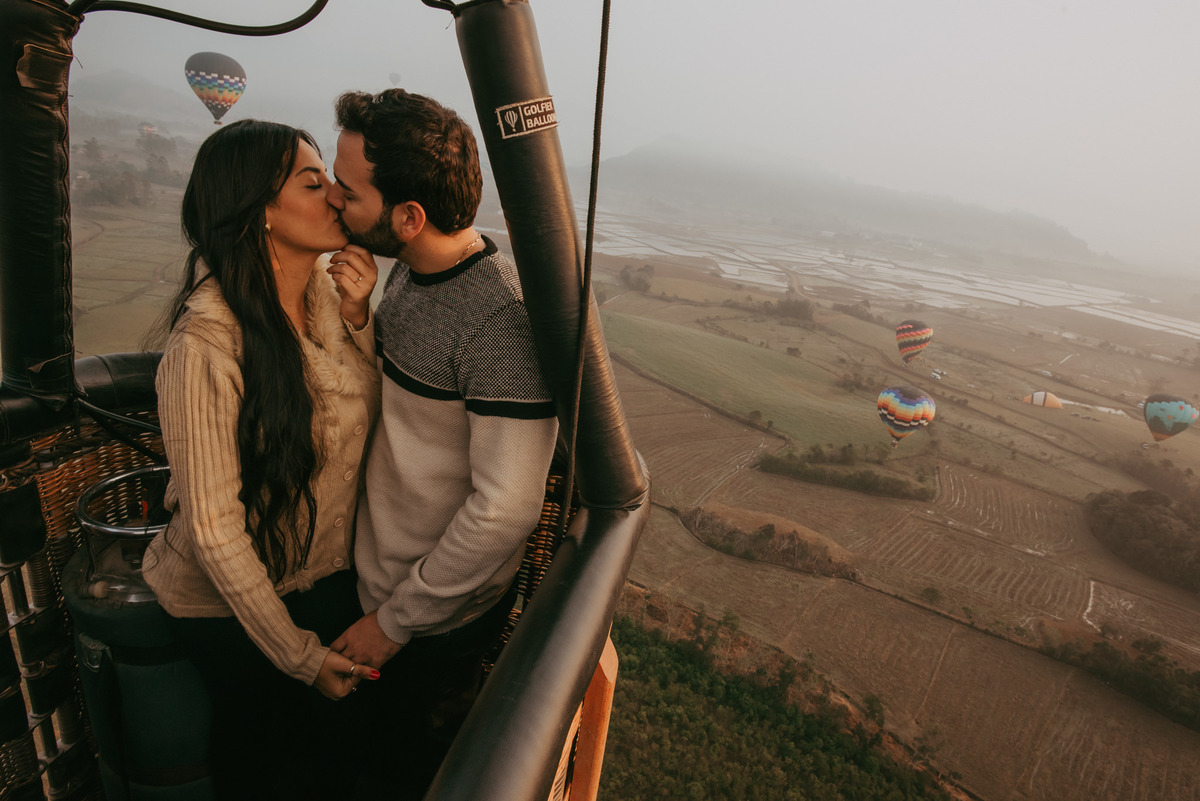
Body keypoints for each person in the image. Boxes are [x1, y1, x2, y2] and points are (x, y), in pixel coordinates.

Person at [141, 119, 382, 799]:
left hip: (318, 569)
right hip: (226, 606)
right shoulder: (206, 346)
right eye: (314, 182)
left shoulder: (327, 299)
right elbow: (215, 529)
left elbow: (364, 412)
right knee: (265, 758)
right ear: (261, 213)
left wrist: (362, 318)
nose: (337, 195)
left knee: (338, 755)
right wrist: (300, 656)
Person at [327, 89, 559, 795]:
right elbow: (404, 409)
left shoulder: (500, 325)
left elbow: (504, 510)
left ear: (409, 216)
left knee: (400, 776)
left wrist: (394, 623)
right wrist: (362, 317)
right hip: (377, 584)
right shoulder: (412, 271)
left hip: (429, 626)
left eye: (347, 190)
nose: (335, 202)